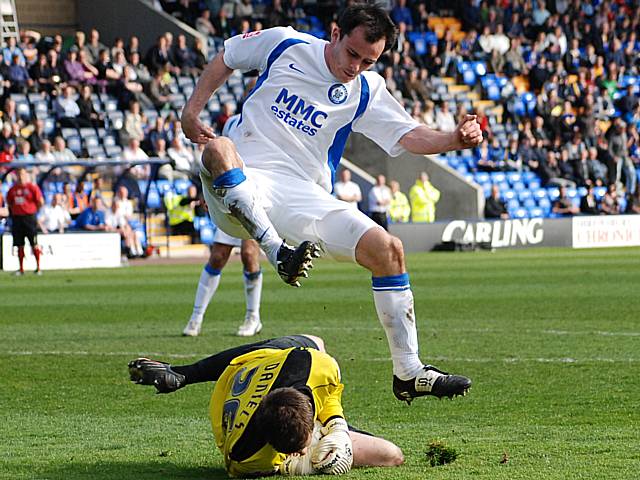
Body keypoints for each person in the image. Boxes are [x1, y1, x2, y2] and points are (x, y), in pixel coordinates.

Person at [180, 4, 481, 403]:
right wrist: (191, 111)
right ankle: (277, 252)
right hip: (241, 176)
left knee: (388, 250)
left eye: (369, 60)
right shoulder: (285, 43)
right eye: (352, 54)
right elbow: (228, 56)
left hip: (303, 193)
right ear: (335, 33)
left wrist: (453, 140)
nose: (356, 67)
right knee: (218, 147)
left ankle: (409, 372)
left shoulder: (367, 90)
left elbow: (409, 135)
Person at [128, 334, 404, 477]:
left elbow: (329, 394)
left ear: (311, 415)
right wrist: (304, 467)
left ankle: (186, 373)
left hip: (261, 363)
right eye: (301, 451)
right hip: (240, 386)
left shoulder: (315, 363)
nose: (305, 450)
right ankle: (186, 373)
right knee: (391, 455)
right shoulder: (246, 456)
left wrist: (338, 426)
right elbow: (248, 467)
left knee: (316, 341)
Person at [183, 111, 265, 338]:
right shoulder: (232, 124)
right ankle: (196, 317)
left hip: (256, 195)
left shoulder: (270, 123)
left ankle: (253, 317)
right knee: (218, 256)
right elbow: (215, 158)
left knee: (249, 255)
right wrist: (208, 193)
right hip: (229, 196)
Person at [7, 168, 44, 275]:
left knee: (34, 243)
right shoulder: (12, 190)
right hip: (17, 218)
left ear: (26, 175)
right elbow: (9, 203)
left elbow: (40, 201)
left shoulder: (32, 188)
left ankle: (38, 268)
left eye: (22, 174)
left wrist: (33, 211)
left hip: (29, 218)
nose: (20, 177)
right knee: (19, 244)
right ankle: (21, 269)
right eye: (18, 175)